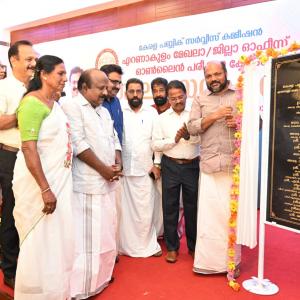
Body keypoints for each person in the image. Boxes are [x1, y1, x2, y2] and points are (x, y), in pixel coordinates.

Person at [12, 55, 74, 299]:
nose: (64, 78)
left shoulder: (54, 103)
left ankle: (55, 291)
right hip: (39, 185)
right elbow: (29, 148)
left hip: (60, 182)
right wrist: (45, 189)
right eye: (60, 73)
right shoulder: (31, 103)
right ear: (44, 75)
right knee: (38, 240)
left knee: (56, 241)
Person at [61, 69, 122, 299]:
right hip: (87, 185)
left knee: (106, 234)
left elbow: (114, 137)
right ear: (84, 88)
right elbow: (77, 144)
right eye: (101, 88)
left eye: (107, 87)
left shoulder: (104, 111)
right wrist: (103, 170)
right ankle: (83, 287)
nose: (106, 92)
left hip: (107, 182)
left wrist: (116, 159)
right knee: (87, 240)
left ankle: (102, 277)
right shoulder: (71, 106)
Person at [188, 61, 241, 275]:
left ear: (226, 73)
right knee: (209, 218)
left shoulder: (239, 95)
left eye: (217, 74)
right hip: (209, 166)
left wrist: (238, 122)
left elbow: (256, 123)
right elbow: (192, 127)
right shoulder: (200, 99)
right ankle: (208, 263)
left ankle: (232, 263)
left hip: (233, 167)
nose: (213, 79)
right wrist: (214, 115)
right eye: (209, 76)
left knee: (231, 217)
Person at [0, 40, 37, 289]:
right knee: (11, 212)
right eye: (28, 59)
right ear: (14, 60)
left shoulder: (35, 87)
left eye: (34, 59)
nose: (33, 63)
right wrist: (22, 114)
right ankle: (10, 269)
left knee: (28, 210)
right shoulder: (3, 88)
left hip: (31, 157)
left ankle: (28, 264)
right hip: (10, 155)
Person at [152, 80, 200, 263]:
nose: (177, 100)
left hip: (192, 165)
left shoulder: (195, 117)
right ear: (168, 99)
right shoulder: (161, 118)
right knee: (169, 207)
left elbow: (202, 142)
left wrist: (190, 136)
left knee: (192, 208)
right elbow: (155, 144)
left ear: (186, 95)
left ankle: (194, 247)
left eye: (180, 97)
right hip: (170, 165)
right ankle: (172, 247)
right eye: (173, 98)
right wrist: (174, 140)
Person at [118, 78, 162, 257]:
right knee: (125, 212)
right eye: (131, 91)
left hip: (146, 169)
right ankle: (124, 246)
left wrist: (157, 163)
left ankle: (146, 245)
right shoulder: (120, 110)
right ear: (126, 92)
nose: (135, 95)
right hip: (125, 171)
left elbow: (156, 140)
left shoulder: (151, 114)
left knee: (145, 211)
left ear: (143, 94)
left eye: (138, 91)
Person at [100, 64, 123, 144]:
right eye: (114, 82)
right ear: (102, 80)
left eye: (119, 83)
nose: (118, 86)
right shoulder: (95, 102)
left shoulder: (117, 101)